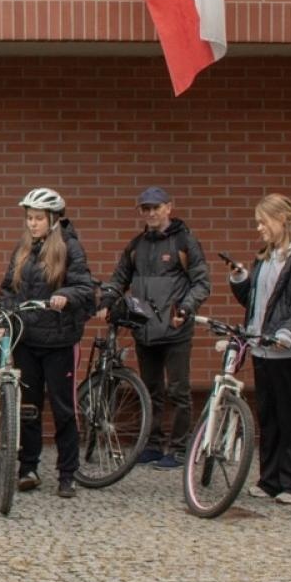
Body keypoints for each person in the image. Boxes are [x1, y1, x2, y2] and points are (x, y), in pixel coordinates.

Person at [96, 187, 211, 469]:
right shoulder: (136, 245)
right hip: (144, 329)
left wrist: (185, 309)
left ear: (169, 207)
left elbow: (201, 283)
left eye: (155, 207)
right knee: (150, 390)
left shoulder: (185, 242)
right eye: (145, 209)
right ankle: (152, 445)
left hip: (176, 329)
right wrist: (109, 300)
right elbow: (119, 277)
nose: (150, 213)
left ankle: (182, 448)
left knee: (179, 390)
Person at [226, 194, 291, 505]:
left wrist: (288, 333)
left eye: (262, 221)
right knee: (268, 416)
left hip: (290, 352)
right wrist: (241, 280)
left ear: (282, 220)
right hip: (262, 349)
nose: (259, 228)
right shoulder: (266, 258)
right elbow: (259, 305)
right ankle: (270, 479)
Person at [0, 189, 95, 498]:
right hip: (27, 338)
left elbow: (84, 287)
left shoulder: (70, 247)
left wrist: (64, 296)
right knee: (28, 408)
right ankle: (28, 468)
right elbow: (8, 289)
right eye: (29, 218)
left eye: (38, 218)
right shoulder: (23, 249)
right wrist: (6, 319)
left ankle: (68, 473)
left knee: (63, 408)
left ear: (53, 219)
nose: (32, 224)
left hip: (59, 341)